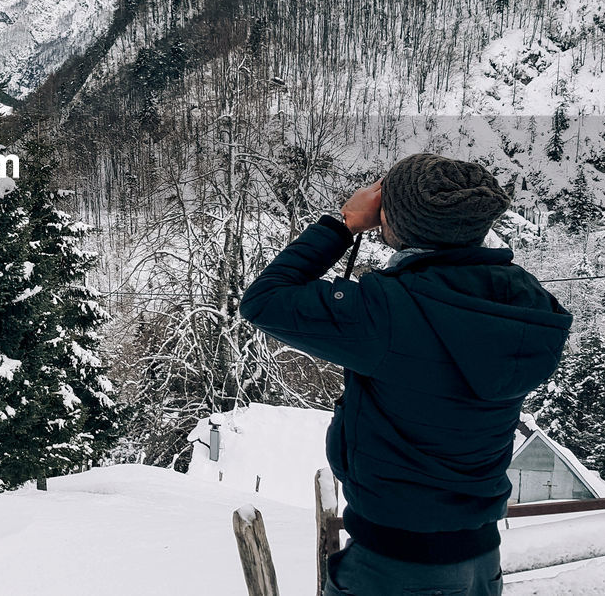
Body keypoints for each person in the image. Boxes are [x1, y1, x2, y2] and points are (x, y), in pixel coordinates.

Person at [239, 153, 573, 596]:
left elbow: (264, 301)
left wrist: (343, 225)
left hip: (395, 567)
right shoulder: (528, 303)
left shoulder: (387, 312)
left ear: (396, 222)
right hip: (479, 560)